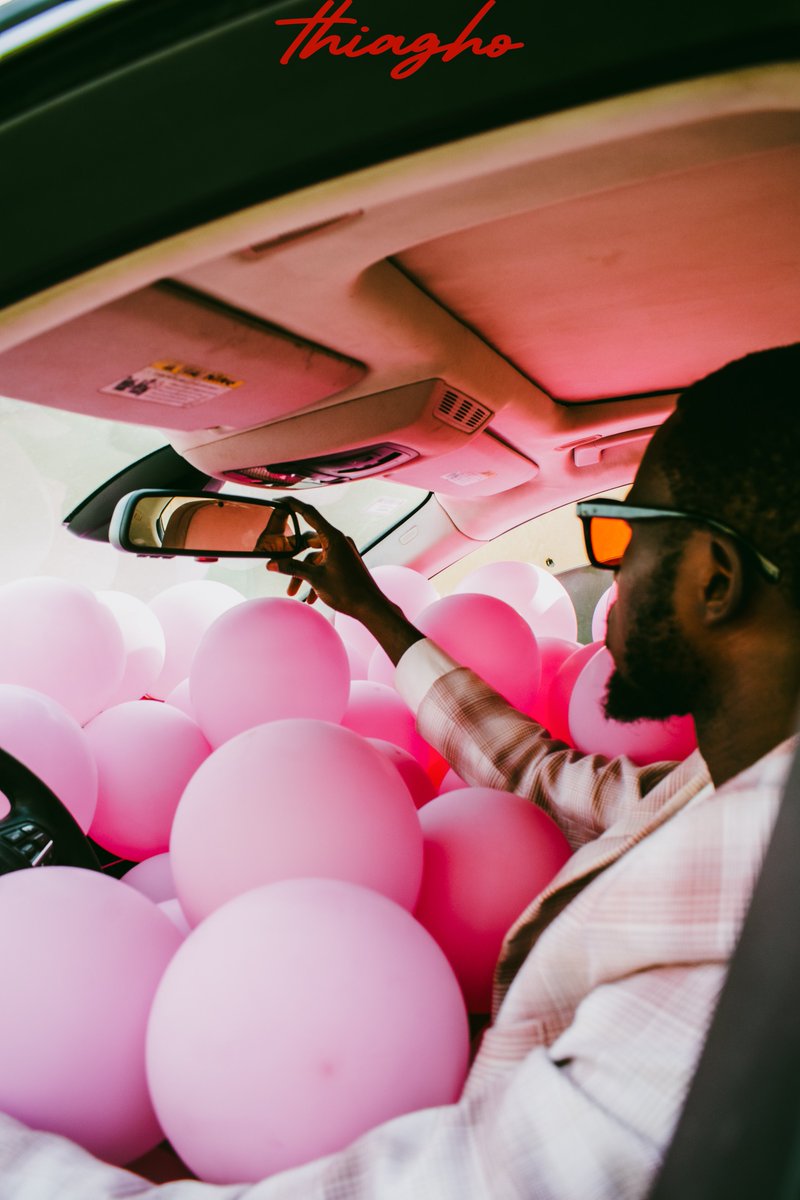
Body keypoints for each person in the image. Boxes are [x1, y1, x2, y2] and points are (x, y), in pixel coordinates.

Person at [1, 344, 799, 1196]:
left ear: (714, 579)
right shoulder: (734, 789)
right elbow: (542, 774)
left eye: (622, 533)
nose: (611, 566)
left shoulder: (750, 946)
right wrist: (376, 612)